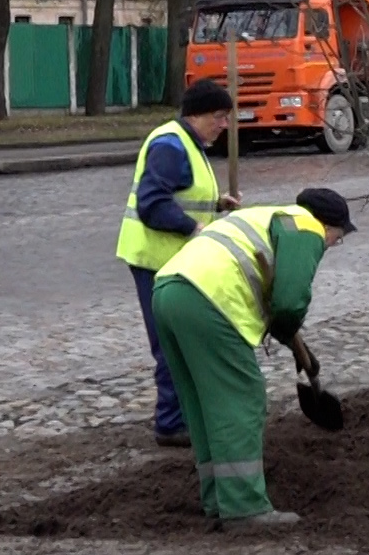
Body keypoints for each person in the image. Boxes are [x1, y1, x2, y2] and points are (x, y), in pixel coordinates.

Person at [150, 188, 355, 529]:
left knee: (205, 403)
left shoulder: (264, 216)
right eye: (338, 237)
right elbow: (288, 303)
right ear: (328, 226)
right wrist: (287, 329)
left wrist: (297, 348)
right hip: (209, 300)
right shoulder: (305, 227)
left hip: (170, 292)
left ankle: (218, 499)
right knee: (241, 398)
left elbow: (274, 298)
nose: (333, 244)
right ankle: (244, 507)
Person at [114, 79, 242, 447]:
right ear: (196, 115)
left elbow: (182, 194)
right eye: (219, 117)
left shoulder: (188, 142)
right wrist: (194, 227)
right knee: (171, 341)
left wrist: (218, 204)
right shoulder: (170, 145)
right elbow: (153, 204)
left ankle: (181, 416)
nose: (224, 125)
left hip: (176, 262)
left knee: (182, 338)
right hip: (156, 261)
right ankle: (171, 424)